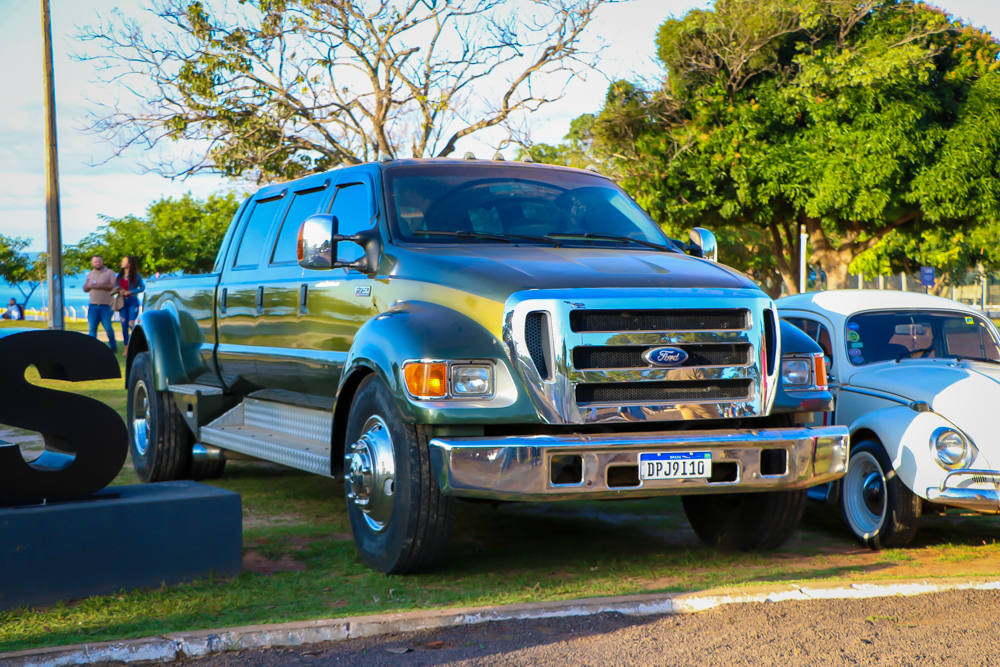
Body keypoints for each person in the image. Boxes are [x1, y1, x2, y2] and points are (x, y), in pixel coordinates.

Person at [83, 254, 118, 352]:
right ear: (92, 263)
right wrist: (89, 286)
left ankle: (113, 346)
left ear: (102, 262)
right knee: (92, 328)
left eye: (99, 261)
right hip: (93, 305)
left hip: (106, 306)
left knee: (108, 327)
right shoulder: (90, 274)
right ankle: (92, 348)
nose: (98, 263)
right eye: (96, 262)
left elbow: (114, 286)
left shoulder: (109, 272)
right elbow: (85, 288)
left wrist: (100, 285)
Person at [116, 256, 145, 352]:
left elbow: (142, 288)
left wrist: (131, 291)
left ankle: (137, 345)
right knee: (124, 324)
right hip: (122, 303)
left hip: (132, 301)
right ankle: (126, 348)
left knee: (131, 324)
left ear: (129, 264)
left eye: (124, 261)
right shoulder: (119, 276)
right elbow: (115, 287)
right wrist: (120, 291)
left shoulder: (137, 276)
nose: (122, 262)